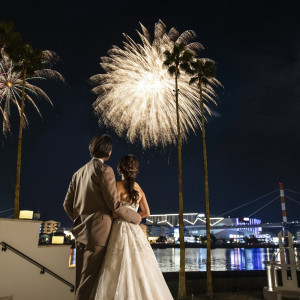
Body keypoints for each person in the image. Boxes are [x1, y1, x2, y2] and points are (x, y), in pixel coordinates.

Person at [63, 135, 141, 300]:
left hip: (80, 233)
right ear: (109, 153)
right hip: (98, 234)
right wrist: (135, 217)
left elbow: (67, 205)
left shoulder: (78, 173)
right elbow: (114, 205)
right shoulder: (105, 171)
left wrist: (80, 220)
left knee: (81, 281)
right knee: (89, 284)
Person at [94, 154, 174, 300]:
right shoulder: (138, 188)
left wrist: (119, 216)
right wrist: (134, 217)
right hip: (135, 230)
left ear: (120, 169)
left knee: (117, 266)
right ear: (135, 170)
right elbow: (147, 213)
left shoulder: (116, 186)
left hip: (119, 229)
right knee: (140, 266)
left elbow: (114, 211)